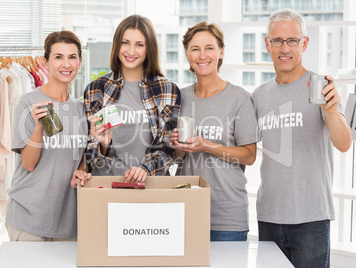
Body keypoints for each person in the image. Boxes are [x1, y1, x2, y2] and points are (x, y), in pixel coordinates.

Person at [252, 8, 352, 267]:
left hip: (311, 219)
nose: (285, 48)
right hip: (269, 216)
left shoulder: (320, 88)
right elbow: (246, 148)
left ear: (304, 43)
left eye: (292, 40)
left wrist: (330, 110)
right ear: (267, 44)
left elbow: (343, 143)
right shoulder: (259, 95)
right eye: (277, 40)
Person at [170, 22, 260, 241]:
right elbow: (176, 158)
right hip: (185, 210)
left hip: (227, 217)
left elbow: (249, 156)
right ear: (187, 54)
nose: (203, 55)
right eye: (195, 49)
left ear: (221, 52)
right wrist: (177, 148)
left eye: (209, 48)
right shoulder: (178, 98)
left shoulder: (239, 98)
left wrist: (207, 146)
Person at [6, 30, 91, 241]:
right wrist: (37, 128)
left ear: (79, 61)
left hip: (68, 222)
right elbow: (28, 164)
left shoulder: (82, 109)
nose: (66, 64)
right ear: (46, 62)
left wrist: (82, 172)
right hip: (29, 220)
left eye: (72, 57)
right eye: (58, 57)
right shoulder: (29, 102)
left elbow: (80, 159)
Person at [79, 15, 180, 182]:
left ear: (149, 49)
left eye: (139, 45)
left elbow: (169, 148)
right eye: (125, 43)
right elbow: (88, 154)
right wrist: (103, 146)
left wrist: (145, 169)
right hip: (105, 187)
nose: (131, 51)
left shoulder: (167, 90)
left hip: (150, 188)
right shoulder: (96, 89)